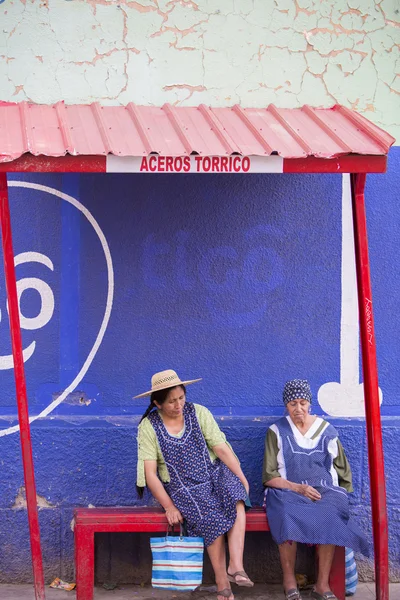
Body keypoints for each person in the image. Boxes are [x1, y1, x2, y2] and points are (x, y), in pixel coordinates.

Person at [135, 369, 253, 600]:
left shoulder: (199, 413)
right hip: (182, 486)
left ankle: (236, 567)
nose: (178, 405)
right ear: (157, 403)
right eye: (171, 401)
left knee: (236, 495)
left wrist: (241, 477)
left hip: (213, 473)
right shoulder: (149, 427)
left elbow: (220, 447)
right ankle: (222, 586)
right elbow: (150, 474)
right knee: (209, 516)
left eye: (181, 398)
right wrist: (169, 506)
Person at [263, 379, 369, 600]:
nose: (298, 408)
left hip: (323, 491)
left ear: (310, 404)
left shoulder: (326, 430)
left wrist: (336, 494)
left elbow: (342, 471)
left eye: (302, 402)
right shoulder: (276, 431)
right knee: (284, 513)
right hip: (288, 491)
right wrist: (298, 488)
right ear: (286, 405)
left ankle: (322, 585)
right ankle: (289, 580)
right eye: (293, 403)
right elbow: (269, 476)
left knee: (330, 513)